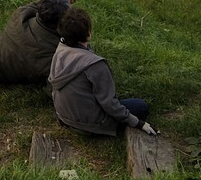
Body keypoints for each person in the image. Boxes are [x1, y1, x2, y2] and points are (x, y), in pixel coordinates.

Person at [48, 7, 157, 137]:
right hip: (92, 125)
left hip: (65, 118)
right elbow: (109, 104)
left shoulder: (60, 50)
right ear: (88, 33)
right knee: (141, 106)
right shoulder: (95, 64)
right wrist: (138, 123)